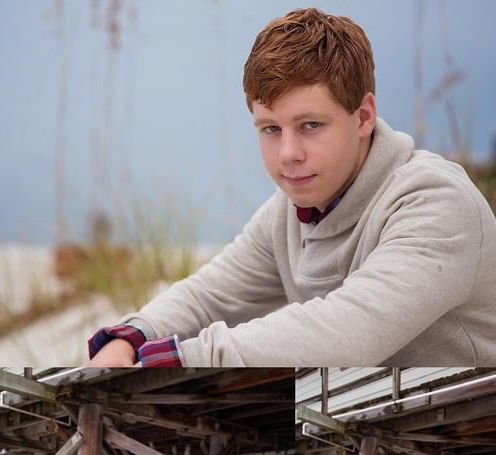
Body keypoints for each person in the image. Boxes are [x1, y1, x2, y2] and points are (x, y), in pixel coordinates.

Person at [87, 7, 496, 368]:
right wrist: (131, 337)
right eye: (270, 129)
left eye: (310, 125)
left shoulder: (437, 203)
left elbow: (344, 333)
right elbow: (211, 296)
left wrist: (174, 360)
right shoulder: (293, 208)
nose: (287, 154)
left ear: (363, 117)